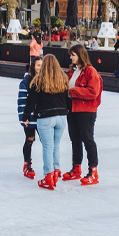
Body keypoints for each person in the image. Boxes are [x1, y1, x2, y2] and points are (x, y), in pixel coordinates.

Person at [23, 54, 70, 190]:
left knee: (47, 147)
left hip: (45, 117)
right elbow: (68, 100)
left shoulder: (39, 81)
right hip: (61, 117)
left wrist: (26, 116)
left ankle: (48, 176)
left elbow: (31, 102)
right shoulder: (63, 79)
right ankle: (56, 170)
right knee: (56, 146)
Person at [62, 44, 103, 186]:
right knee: (75, 139)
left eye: (73, 55)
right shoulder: (73, 71)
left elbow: (93, 92)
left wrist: (73, 91)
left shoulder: (90, 71)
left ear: (80, 55)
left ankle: (93, 171)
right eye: (70, 55)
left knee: (87, 139)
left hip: (86, 111)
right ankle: (76, 168)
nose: (71, 57)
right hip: (72, 109)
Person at [17, 58, 44, 180]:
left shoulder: (45, 80)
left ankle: (50, 166)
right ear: (33, 67)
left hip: (42, 118)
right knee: (29, 139)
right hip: (29, 117)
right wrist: (23, 117)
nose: (40, 68)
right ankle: (27, 164)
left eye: (42, 65)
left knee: (46, 141)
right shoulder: (26, 82)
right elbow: (22, 101)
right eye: (38, 65)